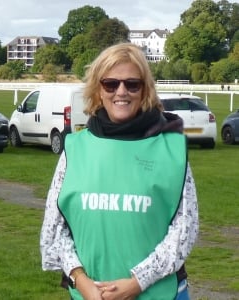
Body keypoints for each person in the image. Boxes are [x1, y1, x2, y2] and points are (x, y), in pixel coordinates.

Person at [40, 43, 199, 300]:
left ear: (144, 89)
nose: (121, 92)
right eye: (111, 84)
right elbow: (54, 228)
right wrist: (81, 281)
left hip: (160, 294)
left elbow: (185, 229)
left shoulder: (172, 149)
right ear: (98, 90)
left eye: (132, 84)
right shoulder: (75, 148)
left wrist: (136, 283)